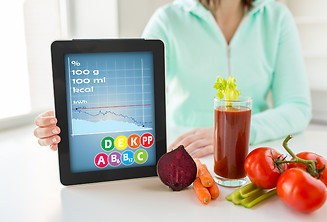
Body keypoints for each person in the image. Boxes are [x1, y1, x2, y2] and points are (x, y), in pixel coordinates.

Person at [34, 0, 311, 158]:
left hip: (252, 155)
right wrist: (70, 122)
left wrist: (235, 135)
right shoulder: (167, 20)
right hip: (183, 154)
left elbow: (297, 106)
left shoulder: (276, 17)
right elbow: (128, 97)